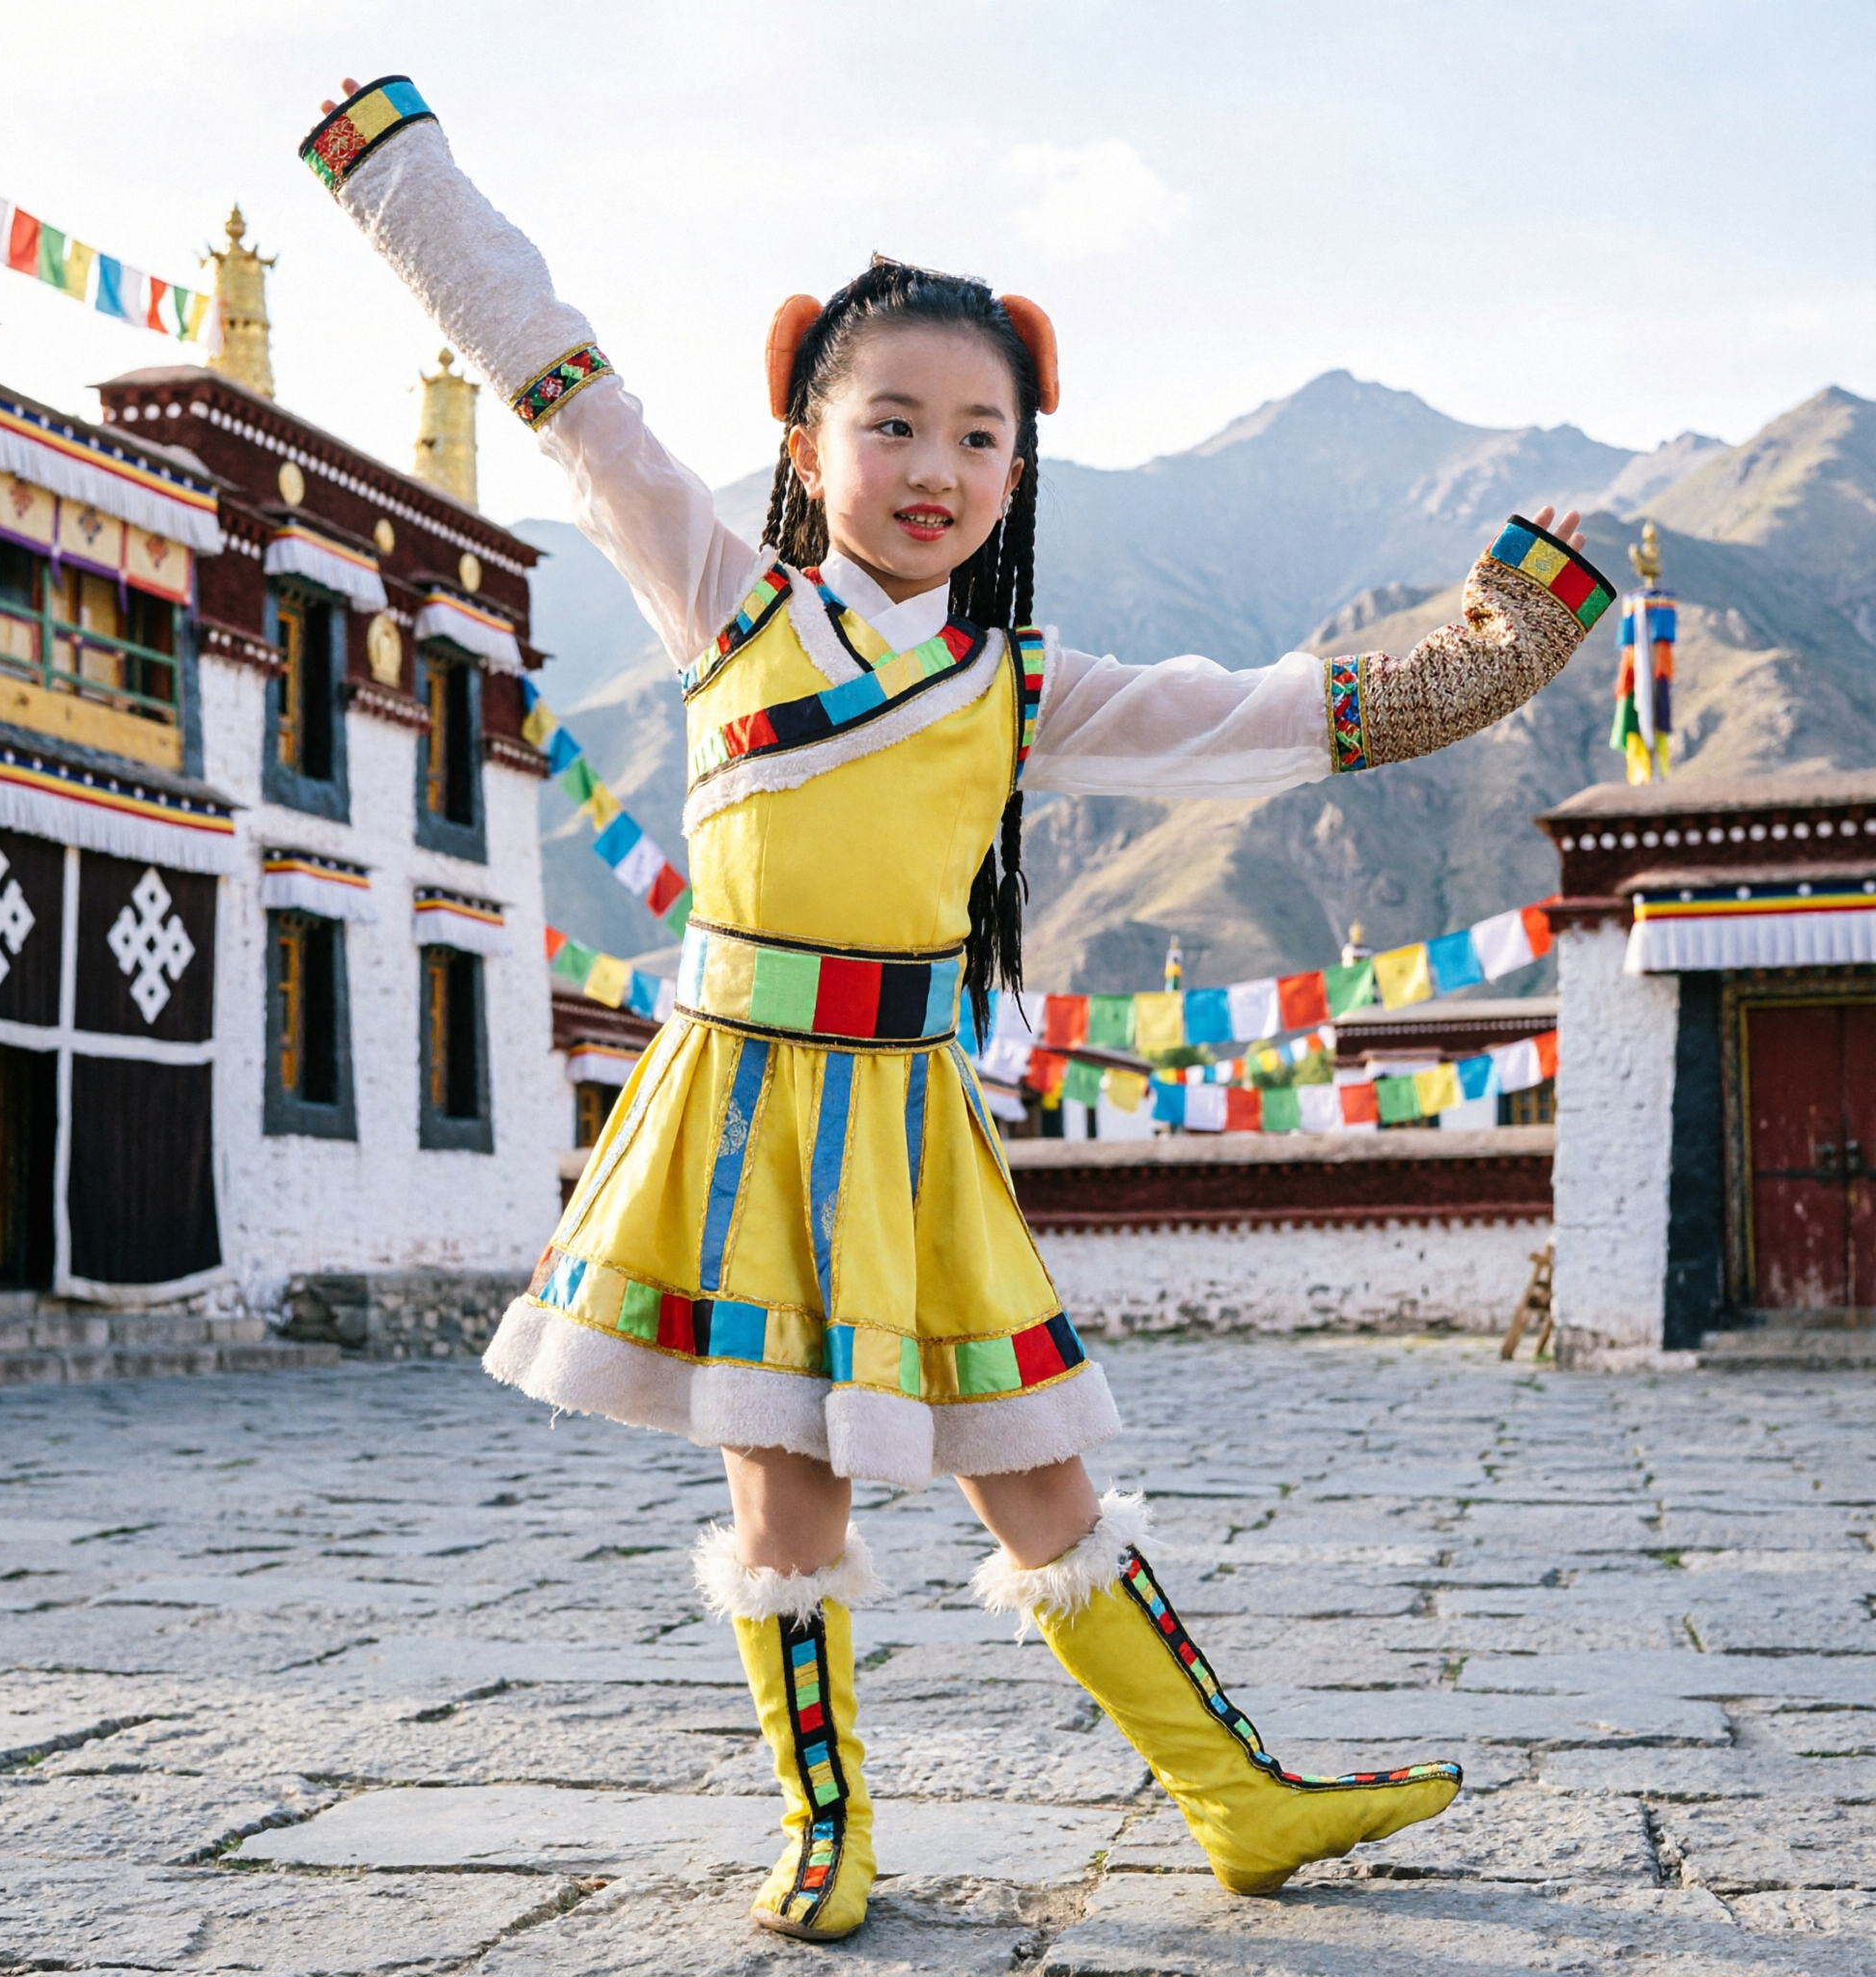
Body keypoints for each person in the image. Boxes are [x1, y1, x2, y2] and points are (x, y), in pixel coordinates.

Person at [300, 76, 1615, 1940]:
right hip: (747, 1107)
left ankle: (1232, 1795)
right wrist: (395, 174)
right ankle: (824, 1831)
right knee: (788, 1479)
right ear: (806, 431)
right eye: (892, 419)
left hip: (914, 1127)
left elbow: (1265, 719)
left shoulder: (1023, 682)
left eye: (978, 435)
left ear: (1017, 469)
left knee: (1041, 1466)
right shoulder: (721, 600)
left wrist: (1506, 638)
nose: (933, 463)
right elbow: (558, 371)